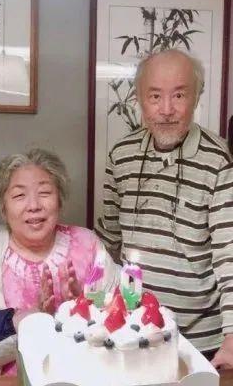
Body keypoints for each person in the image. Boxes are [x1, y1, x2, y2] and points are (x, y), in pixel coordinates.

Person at [95, 48, 233, 369]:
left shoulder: (219, 161)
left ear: (196, 97)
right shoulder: (121, 156)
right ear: (139, 99)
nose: (167, 110)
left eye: (179, 95)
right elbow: (107, 242)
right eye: (155, 96)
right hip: (133, 331)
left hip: (199, 341)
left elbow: (230, 256)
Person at [0, 148, 119, 375]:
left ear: (60, 200)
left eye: (44, 192)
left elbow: (124, 318)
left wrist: (84, 307)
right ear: (3, 208)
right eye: (19, 196)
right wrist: (27, 319)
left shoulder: (88, 245)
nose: (34, 205)